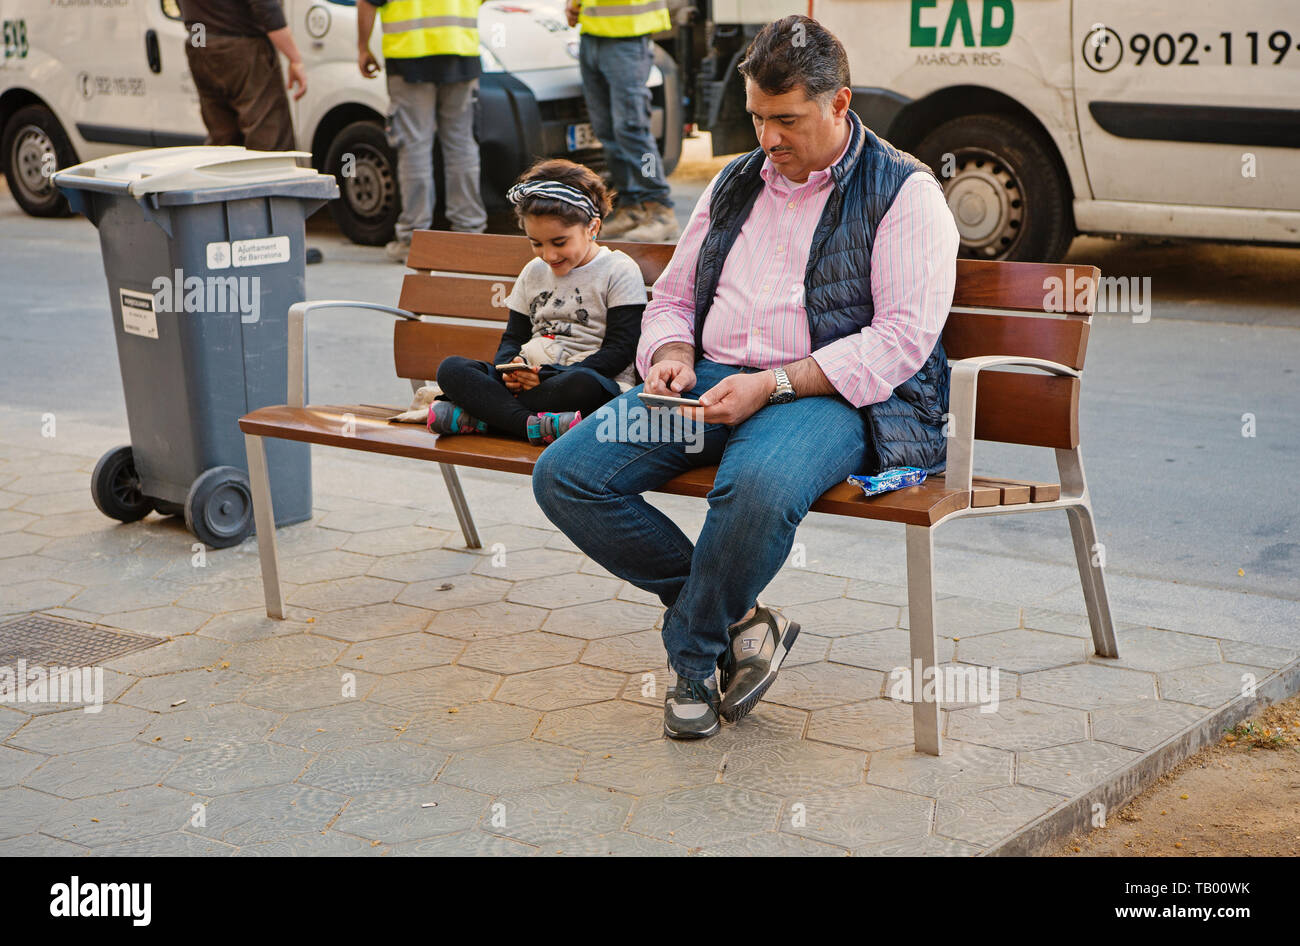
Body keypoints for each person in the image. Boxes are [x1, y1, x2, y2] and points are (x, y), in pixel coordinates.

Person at [532, 16, 960, 739]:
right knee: (567, 475)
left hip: (824, 395)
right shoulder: (736, 181)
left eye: (786, 120)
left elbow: (901, 342)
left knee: (754, 489)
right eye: (759, 118)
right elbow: (671, 297)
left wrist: (774, 384)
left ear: (839, 103)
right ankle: (740, 620)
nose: (769, 139)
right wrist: (668, 355)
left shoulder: (903, 192)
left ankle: (695, 657)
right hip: (706, 383)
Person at [432, 159, 645, 446]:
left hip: (582, 382)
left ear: (592, 227)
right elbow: (513, 337)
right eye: (536, 243)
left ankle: (486, 417)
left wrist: (545, 376)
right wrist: (510, 369)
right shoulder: (533, 271)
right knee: (451, 369)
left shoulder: (618, 269)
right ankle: (530, 425)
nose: (548, 255)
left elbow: (620, 350)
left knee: (581, 385)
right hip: (528, 384)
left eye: (559, 242)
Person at [357, 0, 488, 262]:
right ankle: (470, 232)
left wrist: (362, 47)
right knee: (461, 146)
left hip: (410, 58)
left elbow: (367, 3)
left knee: (414, 146)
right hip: (460, 53)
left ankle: (413, 240)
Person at [565, 0, 678, 243]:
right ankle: (631, 207)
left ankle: (660, 209)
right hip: (592, 34)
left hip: (627, 38)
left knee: (632, 129)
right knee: (607, 132)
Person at [178, 0, 307, 151]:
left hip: (199, 43)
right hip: (241, 45)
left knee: (223, 140)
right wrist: (295, 60)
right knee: (268, 141)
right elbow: (266, 8)